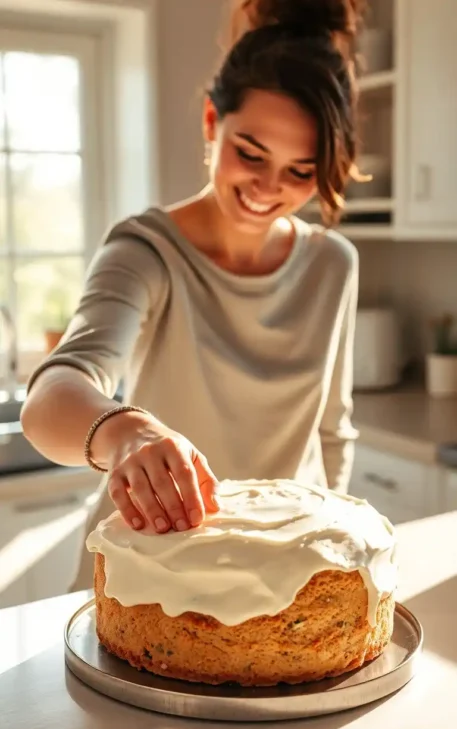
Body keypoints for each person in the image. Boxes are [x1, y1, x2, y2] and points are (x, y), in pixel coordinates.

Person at [22, 0, 364, 590]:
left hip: (277, 583)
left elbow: (331, 433)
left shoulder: (334, 264)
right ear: (212, 121)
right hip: (145, 577)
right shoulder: (146, 250)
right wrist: (126, 432)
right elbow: (53, 394)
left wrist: (326, 559)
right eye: (251, 154)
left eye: (300, 171)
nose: (267, 188)